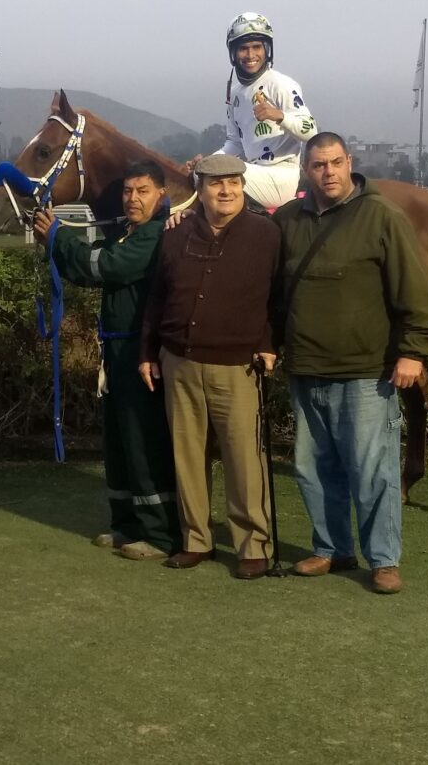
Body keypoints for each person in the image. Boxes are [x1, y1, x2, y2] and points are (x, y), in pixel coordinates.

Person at [272, 132, 428, 594]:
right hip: (306, 367)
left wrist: (414, 352)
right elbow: (271, 293)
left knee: (373, 471)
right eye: (318, 165)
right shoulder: (287, 220)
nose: (328, 172)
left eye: (335, 162)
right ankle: (332, 549)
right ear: (306, 170)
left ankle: (383, 560)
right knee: (313, 469)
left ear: (349, 163)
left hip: (367, 371)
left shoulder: (383, 216)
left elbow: (416, 292)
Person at [32, 159, 181, 561]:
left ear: (161, 195)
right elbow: (90, 270)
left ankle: (160, 535)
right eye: (128, 191)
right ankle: (126, 524)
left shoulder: (155, 235)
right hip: (115, 350)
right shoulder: (127, 232)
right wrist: (53, 245)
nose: (132, 198)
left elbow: (110, 266)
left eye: (142, 191)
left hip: (141, 352)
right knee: (117, 441)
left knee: (143, 440)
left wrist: (60, 237)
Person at [139, 154, 280, 580]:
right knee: (187, 457)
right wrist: (147, 351)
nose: (226, 190)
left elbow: (279, 296)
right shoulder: (175, 233)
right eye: (217, 183)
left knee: (244, 460)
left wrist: (268, 343)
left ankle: (253, 544)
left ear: (243, 187)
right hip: (179, 362)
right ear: (199, 190)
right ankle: (195, 540)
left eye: (234, 182)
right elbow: (157, 297)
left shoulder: (266, 234)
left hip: (237, 366)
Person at [186, 12, 319, 209]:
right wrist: (210, 161)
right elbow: (234, 143)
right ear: (233, 53)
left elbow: (311, 132)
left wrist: (280, 116)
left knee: (217, 175)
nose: (250, 55)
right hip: (253, 172)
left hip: (280, 178)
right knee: (201, 173)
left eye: (257, 47)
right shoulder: (235, 93)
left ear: (267, 49)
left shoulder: (280, 84)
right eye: (243, 48)